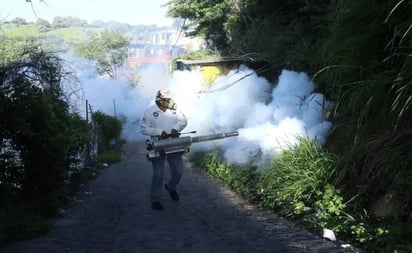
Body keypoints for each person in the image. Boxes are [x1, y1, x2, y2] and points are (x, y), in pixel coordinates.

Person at [140, 90, 188, 210]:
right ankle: (155, 199)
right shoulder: (150, 112)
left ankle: (171, 187)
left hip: (173, 144)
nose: (169, 101)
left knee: (178, 172)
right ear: (159, 100)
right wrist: (159, 132)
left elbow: (183, 121)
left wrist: (175, 128)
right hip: (157, 145)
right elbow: (143, 129)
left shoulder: (175, 109)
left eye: (169, 99)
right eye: (167, 100)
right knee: (158, 175)